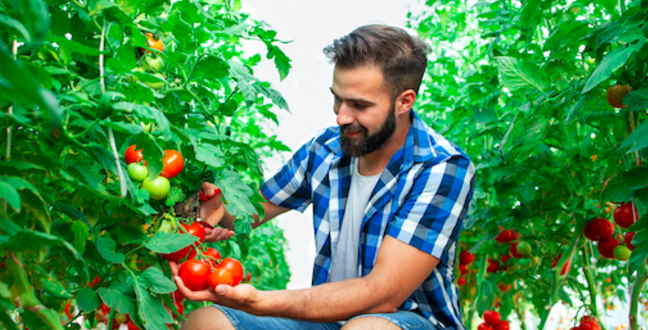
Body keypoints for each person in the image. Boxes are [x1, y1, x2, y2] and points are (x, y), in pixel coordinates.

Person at [171, 24, 475, 330]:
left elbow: (384, 294)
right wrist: (217, 208)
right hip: (331, 322)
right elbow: (249, 213)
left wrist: (262, 302)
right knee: (207, 322)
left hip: (409, 321)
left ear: (404, 101)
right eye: (338, 99)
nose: (341, 116)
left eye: (359, 105)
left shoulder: (441, 168)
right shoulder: (324, 150)